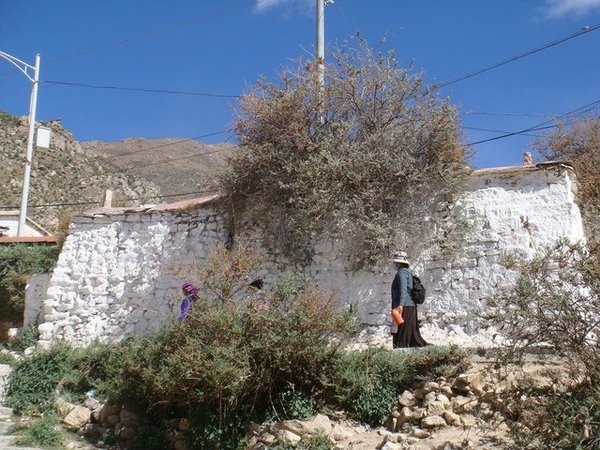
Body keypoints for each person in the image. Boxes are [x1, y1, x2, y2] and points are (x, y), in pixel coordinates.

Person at [390, 251, 428, 348]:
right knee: (410, 330)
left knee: (402, 329)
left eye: (395, 262)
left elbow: (403, 290)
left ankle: (401, 348)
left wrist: (400, 305)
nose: (394, 264)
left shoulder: (401, 273)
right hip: (411, 306)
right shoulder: (407, 272)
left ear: (398, 263)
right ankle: (410, 348)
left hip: (405, 306)